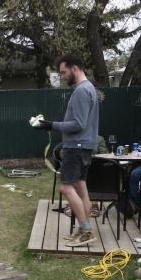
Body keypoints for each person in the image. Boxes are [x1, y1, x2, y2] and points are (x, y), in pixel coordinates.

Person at [31, 55, 100, 247]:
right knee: (81, 188)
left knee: (66, 188)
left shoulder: (81, 91)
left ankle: (86, 230)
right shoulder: (89, 89)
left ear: (75, 68)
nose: (61, 76)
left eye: (63, 72)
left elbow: (78, 124)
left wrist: (50, 125)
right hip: (85, 147)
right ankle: (83, 230)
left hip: (75, 147)